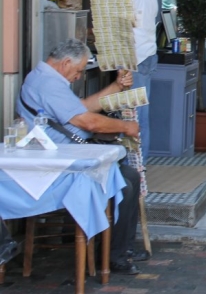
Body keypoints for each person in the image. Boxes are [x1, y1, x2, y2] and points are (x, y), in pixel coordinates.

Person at [16, 39, 146, 275]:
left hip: (69, 155)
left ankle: (117, 248)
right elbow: (87, 120)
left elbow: (82, 107)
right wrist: (126, 126)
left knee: (128, 177)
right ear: (66, 62)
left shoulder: (47, 79)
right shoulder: (48, 84)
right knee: (126, 182)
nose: (78, 77)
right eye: (78, 70)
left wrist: (116, 87)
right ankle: (112, 254)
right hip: (63, 163)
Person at [130, 0, 159, 162]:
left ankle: (136, 163)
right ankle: (141, 161)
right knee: (142, 111)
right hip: (148, 54)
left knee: (135, 113)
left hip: (135, 58)